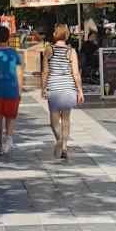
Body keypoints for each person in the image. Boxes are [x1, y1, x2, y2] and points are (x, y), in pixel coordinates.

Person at [41, 21, 84, 160]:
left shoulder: (49, 50)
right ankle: (64, 147)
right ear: (67, 35)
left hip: (54, 89)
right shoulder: (71, 52)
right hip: (68, 89)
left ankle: (59, 139)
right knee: (66, 119)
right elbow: (76, 73)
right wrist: (80, 91)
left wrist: (43, 88)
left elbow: (45, 71)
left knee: (54, 122)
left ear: (55, 33)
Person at [0, 25, 25, 155]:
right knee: (10, 116)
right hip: (12, 90)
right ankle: (8, 138)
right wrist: (20, 91)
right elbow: (19, 74)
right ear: (8, 38)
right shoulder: (14, 54)